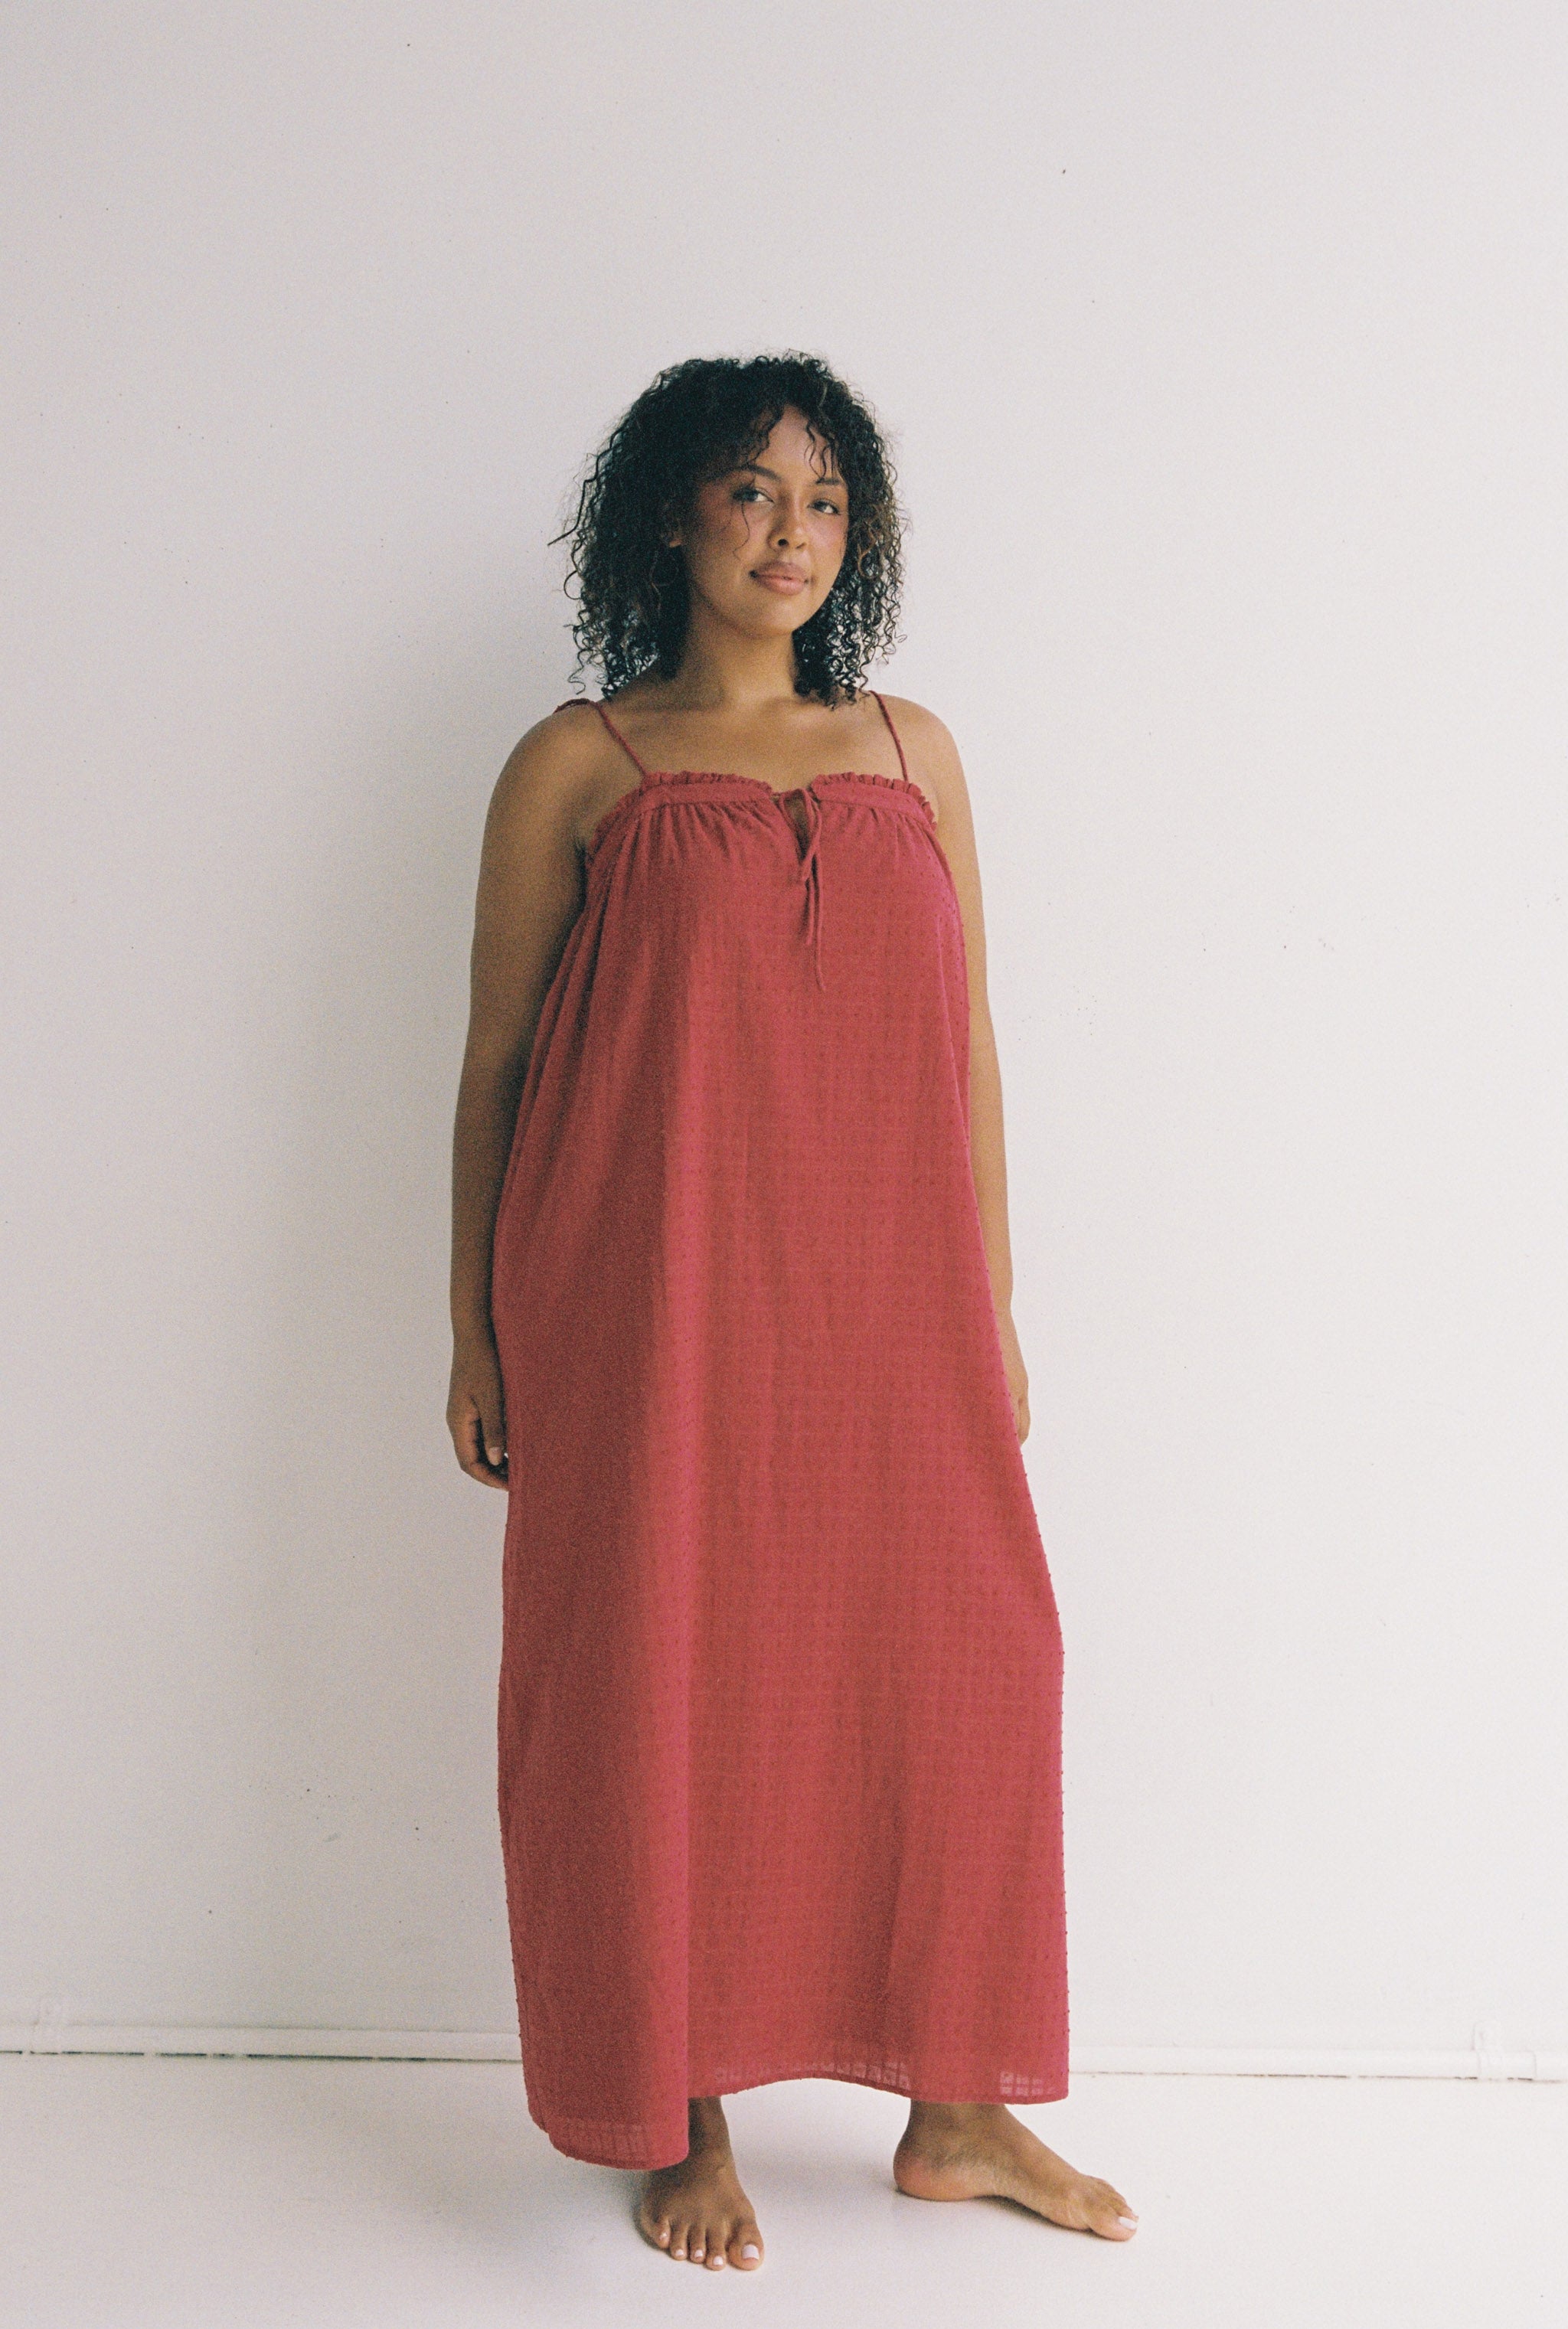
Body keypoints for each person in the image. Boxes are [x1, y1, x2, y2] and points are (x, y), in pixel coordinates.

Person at [447, 352, 1137, 2271]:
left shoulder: (914, 751)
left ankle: (959, 2104)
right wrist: (474, 1328)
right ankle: (675, 2105)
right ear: (670, 512)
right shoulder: (581, 763)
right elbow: (496, 1066)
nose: (792, 534)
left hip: (891, 1306)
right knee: (657, 1676)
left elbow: (970, 1050)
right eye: (751, 494)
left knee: (968, 1669)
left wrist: (990, 1308)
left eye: (825, 503)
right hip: (644, 1302)